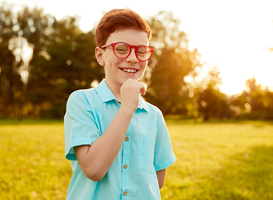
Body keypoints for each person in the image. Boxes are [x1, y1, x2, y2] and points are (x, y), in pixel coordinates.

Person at [64, 8, 176, 200]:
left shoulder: (154, 115)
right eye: (121, 48)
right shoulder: (82, 101)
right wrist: (126, 108)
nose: (133, 58)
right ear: (100, 55)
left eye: (141, 51)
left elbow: (156, 179)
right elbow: (93, 169)